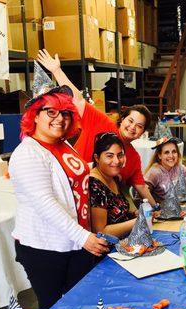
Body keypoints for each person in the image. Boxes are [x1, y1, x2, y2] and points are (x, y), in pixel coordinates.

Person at [9, 68, 109, 309]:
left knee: (78, 304)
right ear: (34, 116)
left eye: (65, 112)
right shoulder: (28, 153)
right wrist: (83, 237)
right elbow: (45, 203)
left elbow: (72, 179)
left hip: (74, 241)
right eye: (50, 112)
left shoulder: (62, 144)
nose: (60, 118)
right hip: (46, 247)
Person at [36, 49, 158, 207]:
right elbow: (78, 100)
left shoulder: (133, 158)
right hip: (70, 188)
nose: (132, 127)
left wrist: (156, 208)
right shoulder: (101, 121)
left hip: (99, 205)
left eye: (139, 126)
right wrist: (56, 70)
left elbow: (140, 186)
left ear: (143, 132)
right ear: (122, 120)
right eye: (130, 120)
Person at [89, 133, 137, 238]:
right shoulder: (94, 185)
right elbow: (100, 232)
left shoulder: (113, 177)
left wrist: (136, 214)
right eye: (109, 156)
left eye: (120, 155)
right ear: (97, 158)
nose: (117, 161)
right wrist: (137, 221)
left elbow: (120, 213)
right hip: (108, 250)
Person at [144, 137, 186, 203]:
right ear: (159, 155)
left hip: (178, 205)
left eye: (174, 152)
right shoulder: (154, 172)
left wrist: (181, 184)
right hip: (161, 210)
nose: (171, 156)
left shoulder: (179, 167)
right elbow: (142, 194)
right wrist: (155, 207)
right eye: (166, 152)